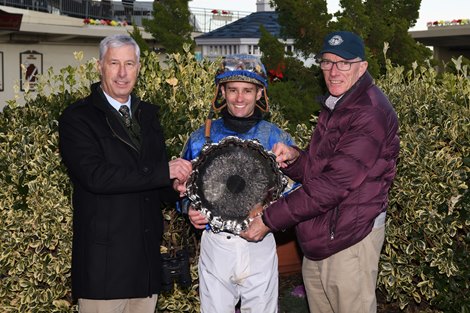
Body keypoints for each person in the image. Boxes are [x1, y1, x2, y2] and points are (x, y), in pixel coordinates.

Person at [241, 31, 400, 313]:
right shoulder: (339, 104)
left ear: (362, 66)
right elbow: (322, 169)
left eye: (343, 63)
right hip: (323, 235)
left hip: (350, 239)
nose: (333, 71)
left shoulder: (368, 112)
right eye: (327, 62)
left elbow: (332, 185)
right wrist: (295, 158)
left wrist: (269, 219)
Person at [58, 34, 192, 313]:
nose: (122, 73)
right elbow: (96, 176)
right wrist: (162, 171)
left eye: (129, 64)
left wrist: (176, 186)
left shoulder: (147, 116)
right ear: (99, 66)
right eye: (114, 63)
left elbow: (156, 183)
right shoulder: (77, 118)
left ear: (139, 68)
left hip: (144, 266)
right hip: (103, 268)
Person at [180, 54, 295, 313]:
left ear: (259, 93)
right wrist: (187, 207)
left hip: (260, 241)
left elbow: (297, 189)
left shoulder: (277, 138)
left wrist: (270, 220)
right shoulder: (200, 138)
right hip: (217, 242)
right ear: (222, 91)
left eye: (247, 90)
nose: (239, 98)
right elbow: (183, 186)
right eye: (232, 90)